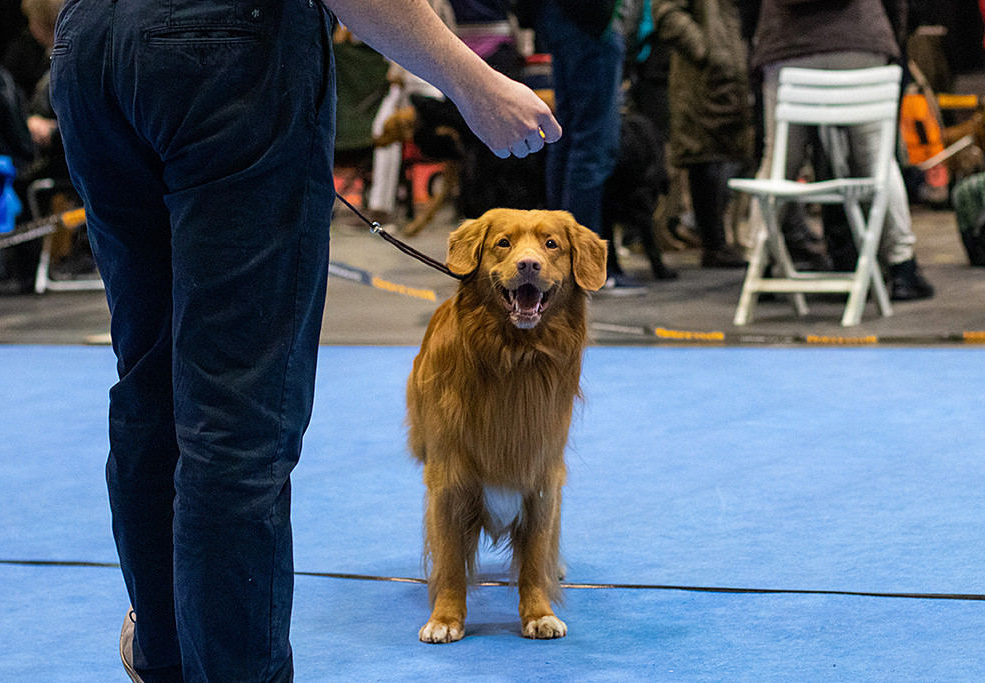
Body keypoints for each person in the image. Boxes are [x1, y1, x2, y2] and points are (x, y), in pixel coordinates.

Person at [49, 0, 559, 681]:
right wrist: (471, 79)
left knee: (149, 382)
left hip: (90, 44)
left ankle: (162, 653)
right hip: (227, 46)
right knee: (234, 418)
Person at [746, 0, 934, 301]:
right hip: (860, 42)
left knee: (778, 163)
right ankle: (903, 268)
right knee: (877, 159)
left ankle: (758, 267)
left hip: (786, 47)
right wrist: (892, 37)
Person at [524, 0, 646, 291]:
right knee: (592, 145)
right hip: (590, 22)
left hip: (559, 17)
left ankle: (559, 261)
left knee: (565, 138)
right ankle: (583, 270)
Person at [653, 0, 753, 269]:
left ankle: (724, 241)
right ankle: (714, 243)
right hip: (703, 74)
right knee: (703, 155)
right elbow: (667, 12)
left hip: (736, 72)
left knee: (733, 154)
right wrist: (706, 50)